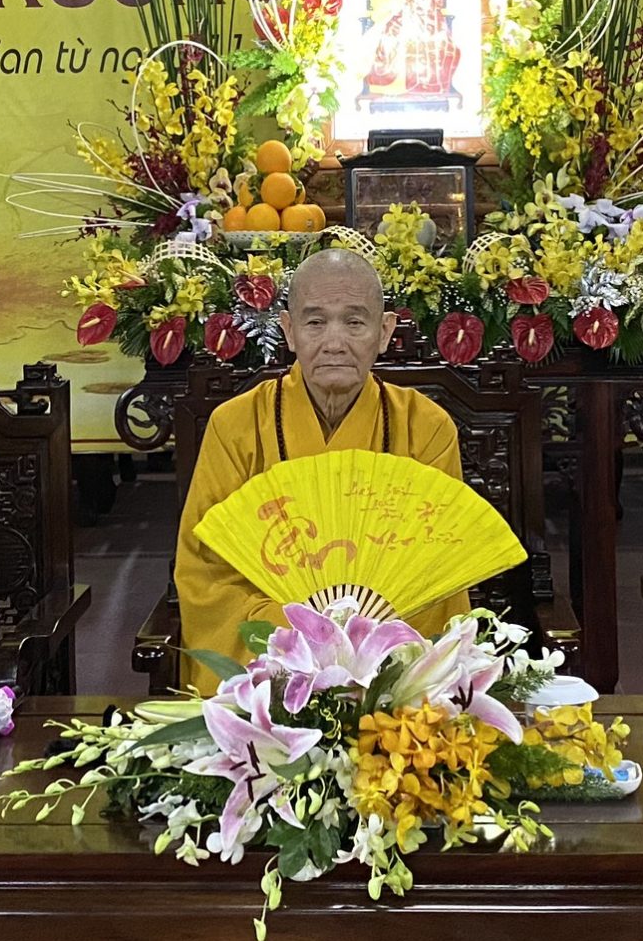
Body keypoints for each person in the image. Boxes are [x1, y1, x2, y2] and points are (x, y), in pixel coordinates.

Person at [174, 246, 464, 678]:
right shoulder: (235, 426)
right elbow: (207, 573)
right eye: (315, 322)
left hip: (384, 669)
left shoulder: (425, 428)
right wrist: (304, 635)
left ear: (385, 331)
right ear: (288, 330)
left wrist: (362, 643)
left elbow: (439, 570)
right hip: (273, 665)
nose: (334, 343)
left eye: (354, 322)